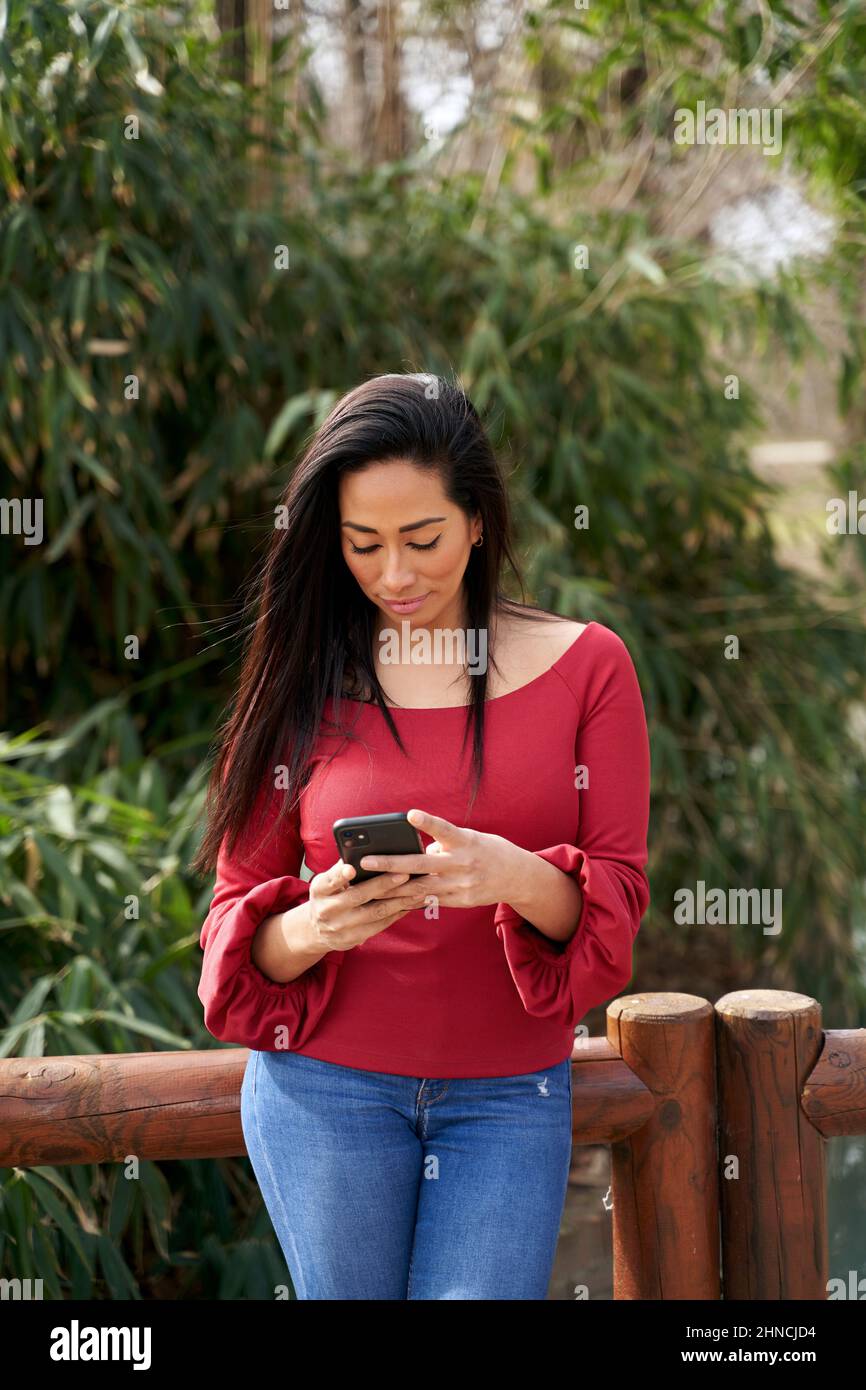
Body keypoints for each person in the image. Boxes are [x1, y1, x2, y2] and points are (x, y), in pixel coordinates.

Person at [193, 371, 651, 1300]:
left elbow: (615, 910)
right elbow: (233, 937)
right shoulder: (299, 676)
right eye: (363, 545)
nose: (394, 575)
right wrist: (318, 923)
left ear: (478, 520)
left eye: (423, 539)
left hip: (506, 1099)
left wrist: (515, 876)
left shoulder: (590, 668)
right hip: (324, 1093)